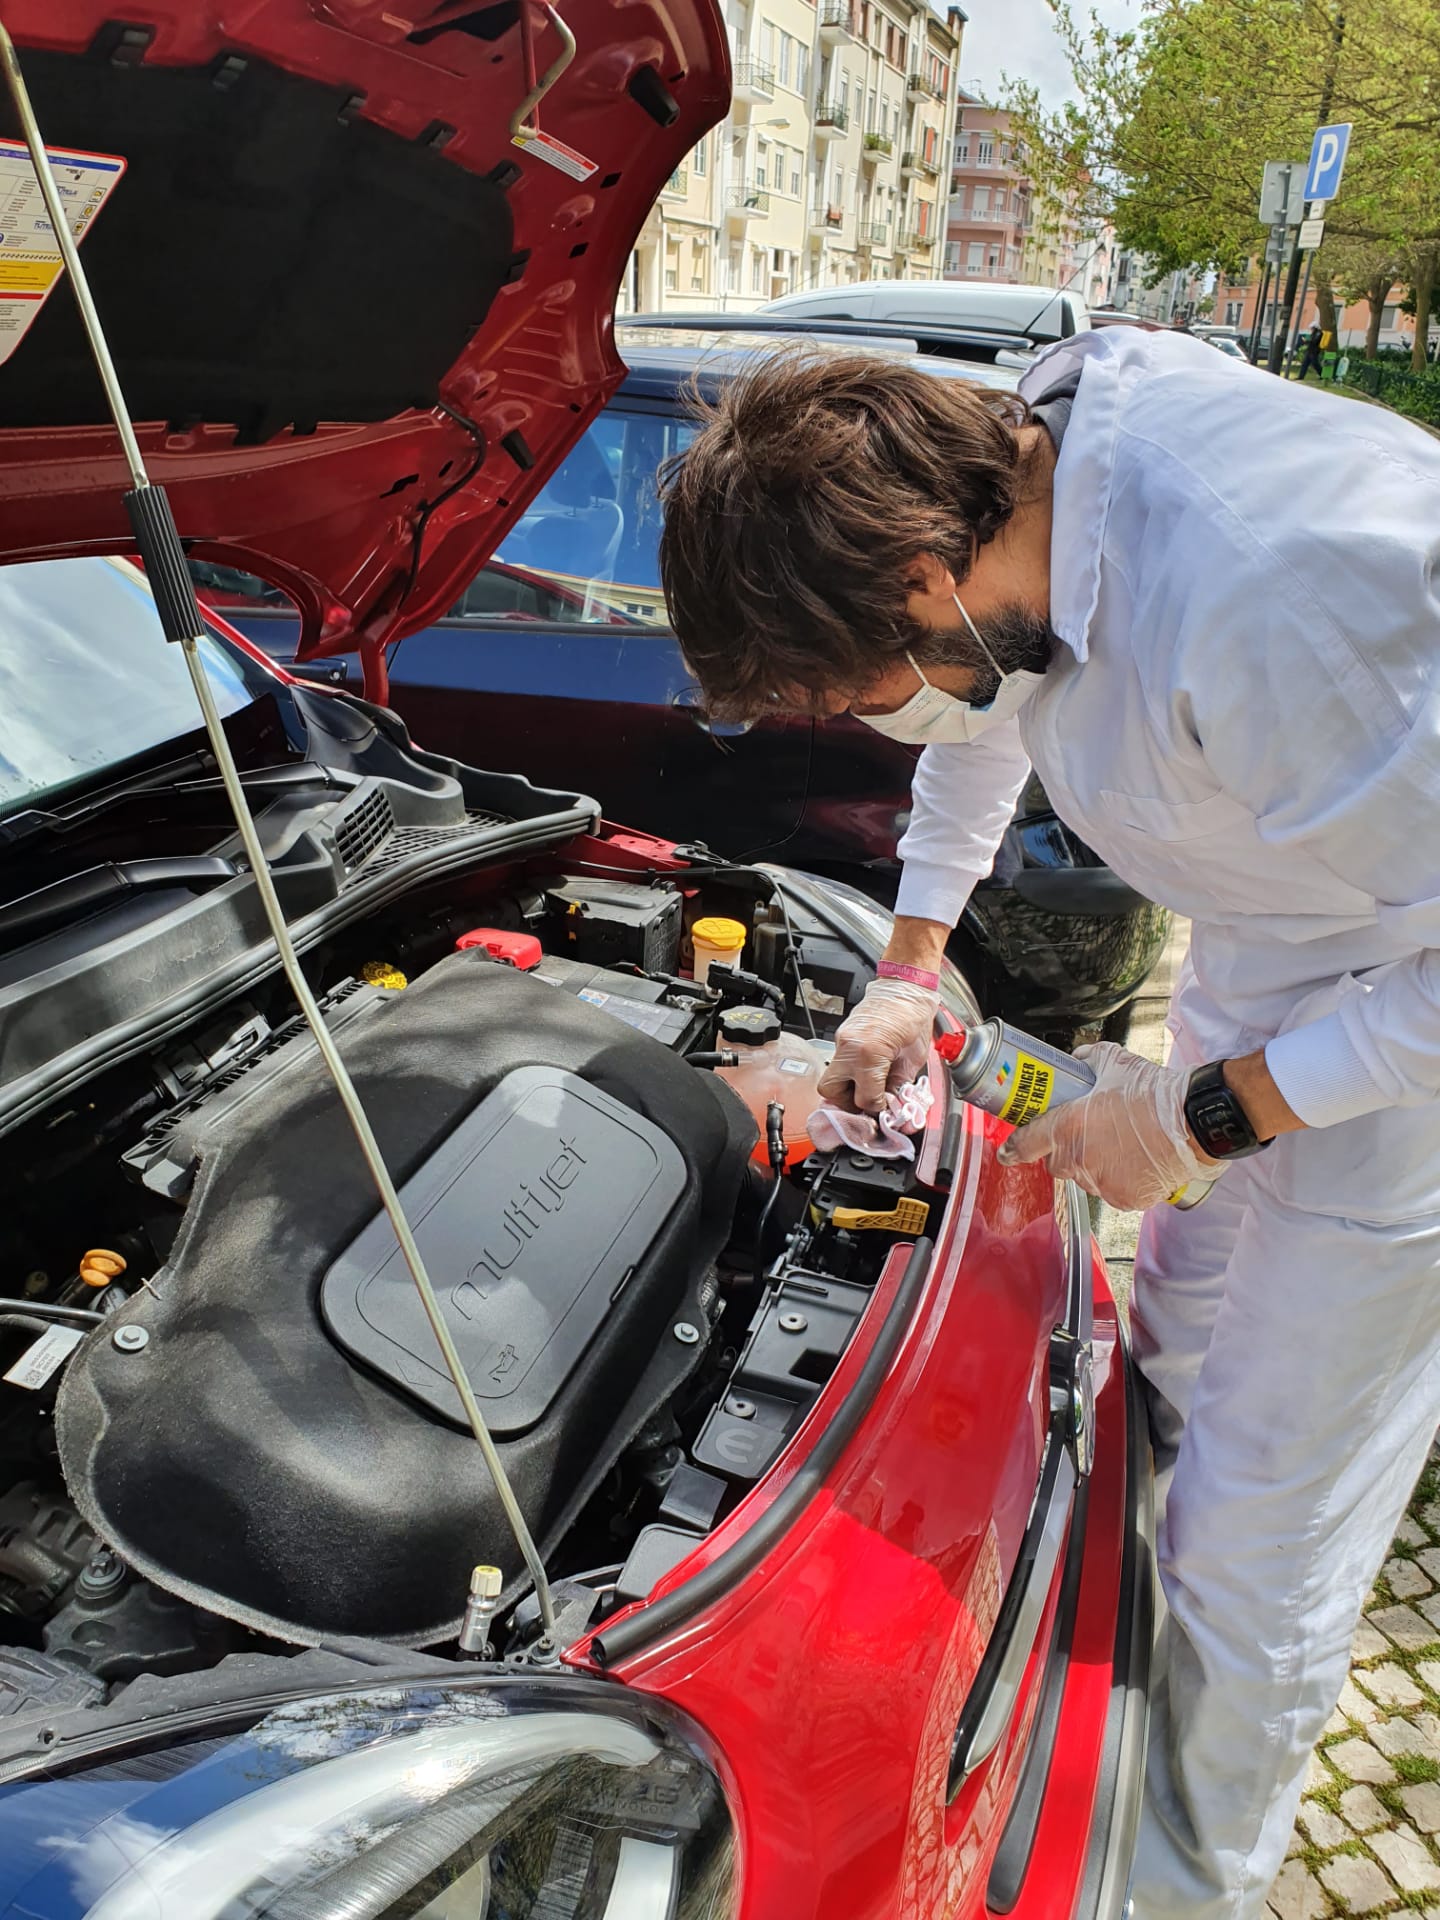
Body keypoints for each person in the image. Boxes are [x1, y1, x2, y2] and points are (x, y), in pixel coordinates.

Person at [658, 331, 1440, 1920]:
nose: (880, 720)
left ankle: (1183, 1879)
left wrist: (1213, 1115)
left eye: (860, 691)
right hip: (1278, 940)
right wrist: (907, 966)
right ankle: (1114, 1639)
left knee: (1262, 1532)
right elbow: (984, 719)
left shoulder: (1279, 589)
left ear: (927, 582)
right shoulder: (1016, 508)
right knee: (1174, 1346)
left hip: (1405, 1047)